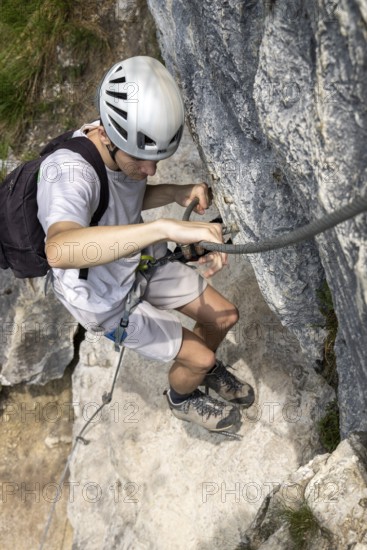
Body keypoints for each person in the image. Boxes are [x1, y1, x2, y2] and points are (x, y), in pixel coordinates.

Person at [37, 56, 254, 433]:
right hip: (103, 301)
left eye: (156, 159)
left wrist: (176, 192)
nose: (150, 170)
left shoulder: (119, 141)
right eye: (141, 159)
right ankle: (182, 397)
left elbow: (121, 197)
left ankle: (196, 364)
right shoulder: (68, 175)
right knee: (201, 358)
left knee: (224, 317)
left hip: (136, 264)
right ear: (105, 134)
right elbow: (59, 248)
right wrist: (164, 229)